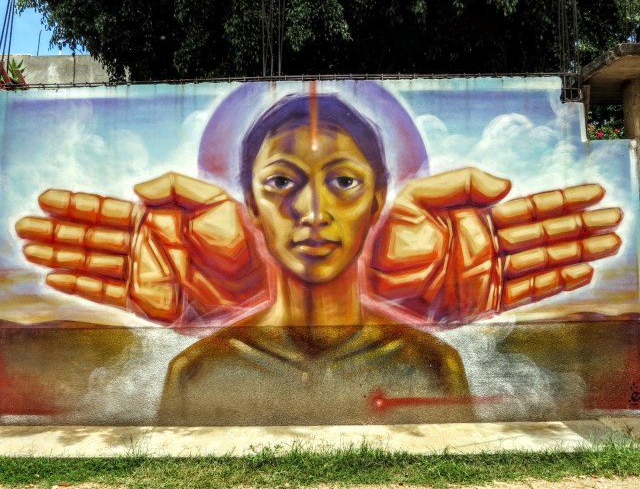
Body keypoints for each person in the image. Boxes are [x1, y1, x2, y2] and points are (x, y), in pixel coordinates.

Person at [15, 91, 623, 425]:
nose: (311, 210)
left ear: (379, 200)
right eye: (281, 182)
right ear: (250, 207)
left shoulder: (433, 364)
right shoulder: (195, 372)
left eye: (344, 182)